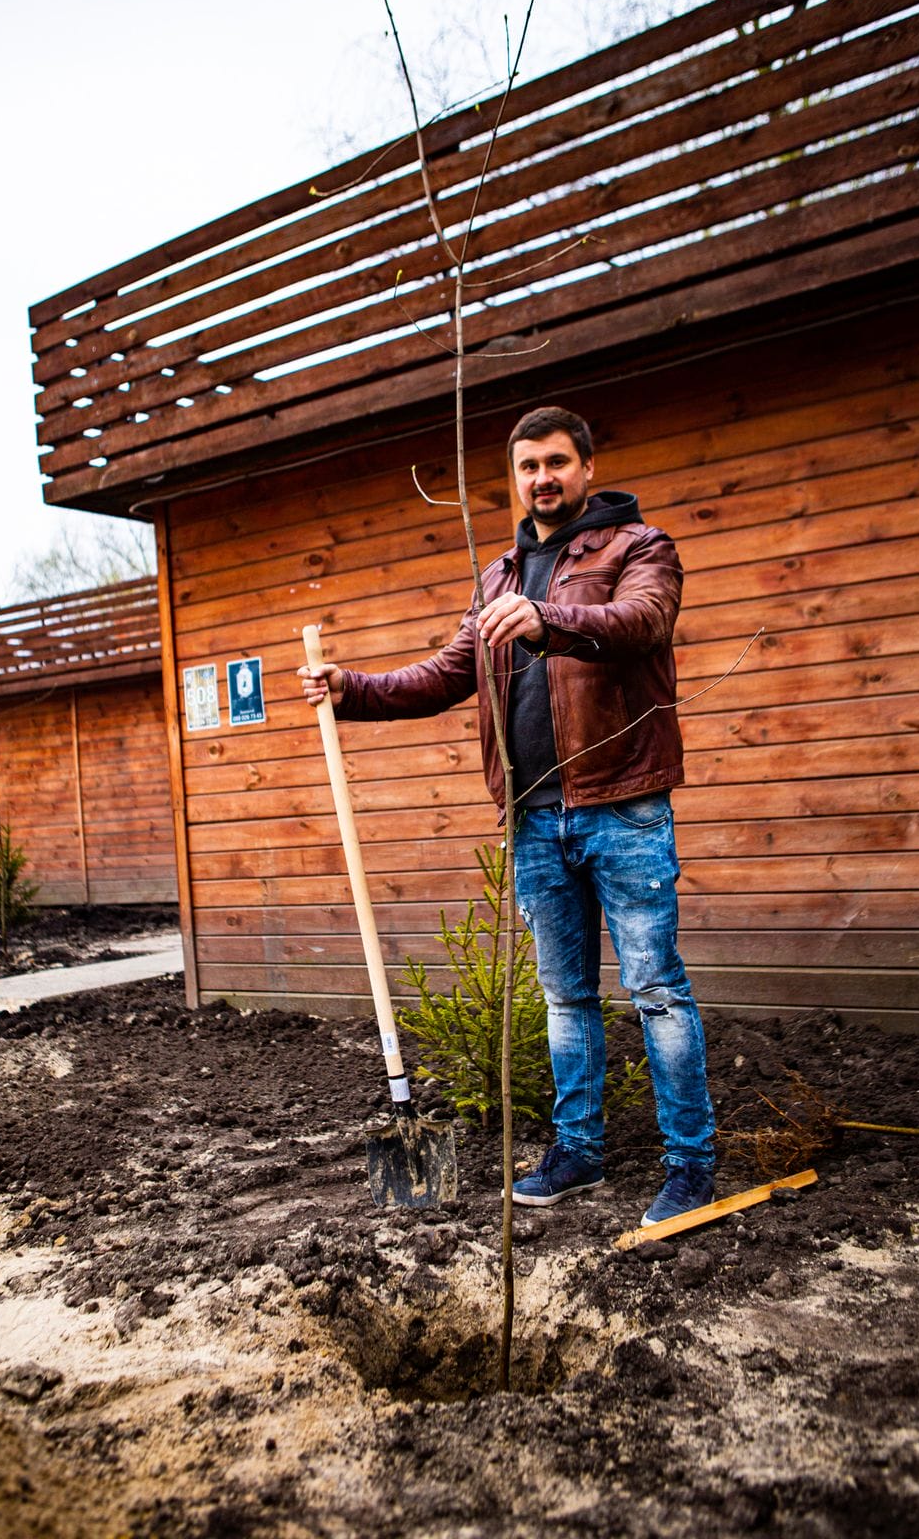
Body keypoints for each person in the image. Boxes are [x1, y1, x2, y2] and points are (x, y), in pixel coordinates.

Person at [299, 405, 715, 1227]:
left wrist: (548, 618)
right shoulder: (498, 576)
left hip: (622, 806)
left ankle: (691, 1165)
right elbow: (450, 672)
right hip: (533, 817)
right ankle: (580, 1152)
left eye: (557, 463)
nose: (543, 480)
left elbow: (643, 623)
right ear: (515, 478)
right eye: (528, 468)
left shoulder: (640, 549)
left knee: (656, 990)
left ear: (587, 468)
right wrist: (354, 690)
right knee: (566, 1000)